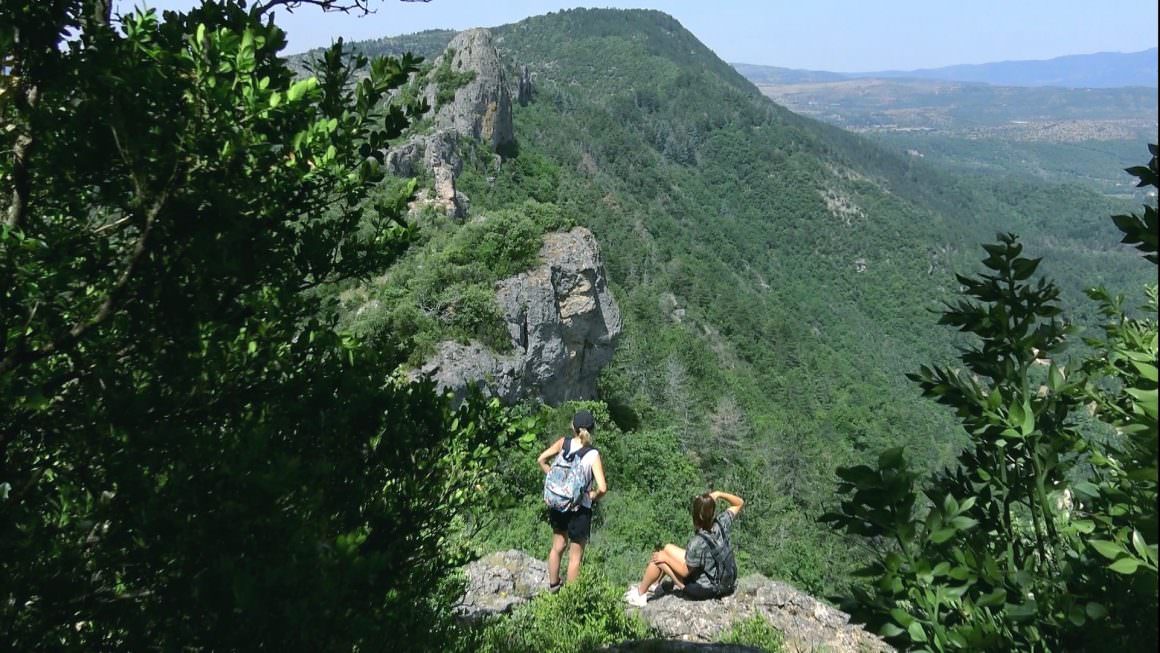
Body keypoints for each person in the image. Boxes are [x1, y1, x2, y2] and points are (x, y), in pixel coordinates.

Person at [623, 489, 743, 606]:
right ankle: (654, 585)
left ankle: (640, 595)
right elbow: (739, 503)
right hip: (725, 580)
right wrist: (719, 494)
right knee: (667, 548)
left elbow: (685, 572)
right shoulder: (722, 522)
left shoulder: (697, 542)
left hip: (705, 588)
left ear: (696, 517)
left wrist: (665, 559)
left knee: (658, 559)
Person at [537, 409, 608, 591]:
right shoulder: (592, 454)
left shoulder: (564, 443)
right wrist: (592, 496)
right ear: (591, 430)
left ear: (573, 427)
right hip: (579, 508)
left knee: (558, 546)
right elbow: (602, 488)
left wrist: (555, 481)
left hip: (559, 504)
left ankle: (553, 586)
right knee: (575, 557)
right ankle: (571, 598)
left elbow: (541, 460)